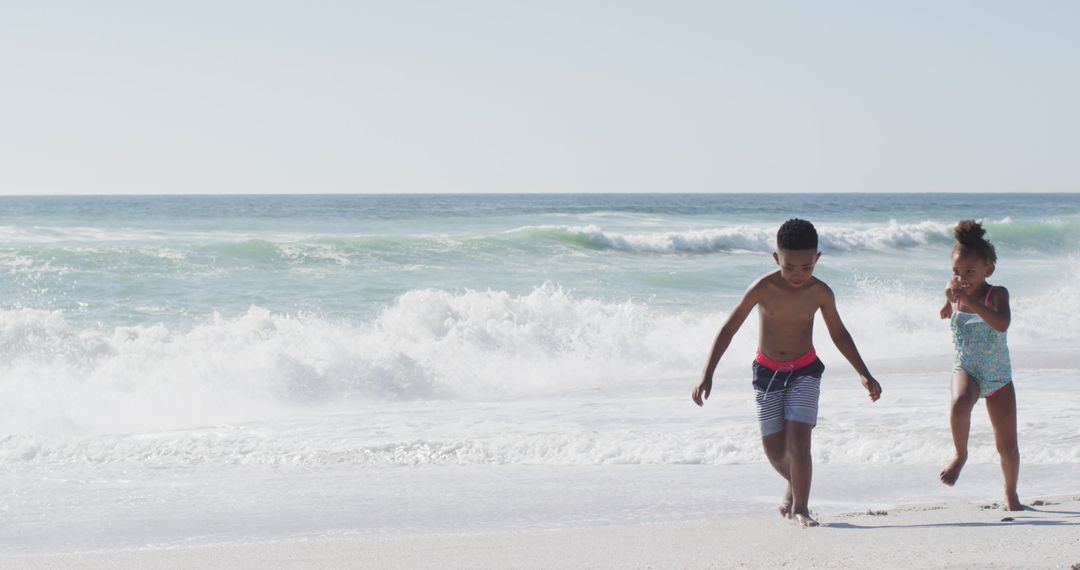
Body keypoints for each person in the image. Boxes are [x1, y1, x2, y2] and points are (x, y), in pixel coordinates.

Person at [692, 218, 882, 528]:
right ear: (776, 258)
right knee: (774, 449)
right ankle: (794, 485)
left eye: (806, 267)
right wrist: (707, 373)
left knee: (798, 442)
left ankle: (801, 508)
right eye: (790, 266)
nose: (798, 275)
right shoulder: (763, 288)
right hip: (767, 374)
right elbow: (729, 328)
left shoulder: (820, 293)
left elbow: (839, 334)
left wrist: (864, 373)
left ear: (817, 259)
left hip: (805, 371)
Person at [937, 220, 1022, 510]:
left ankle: (1011, 494)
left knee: (1007, 446)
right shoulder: (955, 289)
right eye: (956, 271)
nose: (962, 278)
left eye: (970, 272)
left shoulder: (996, 294)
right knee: (960, 402)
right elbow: (949, 298)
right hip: (967, 368)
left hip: (998, 375)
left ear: (989, 270)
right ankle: (960, 455)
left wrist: (970, 304)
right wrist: (948, 305)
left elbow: (1002, 324)